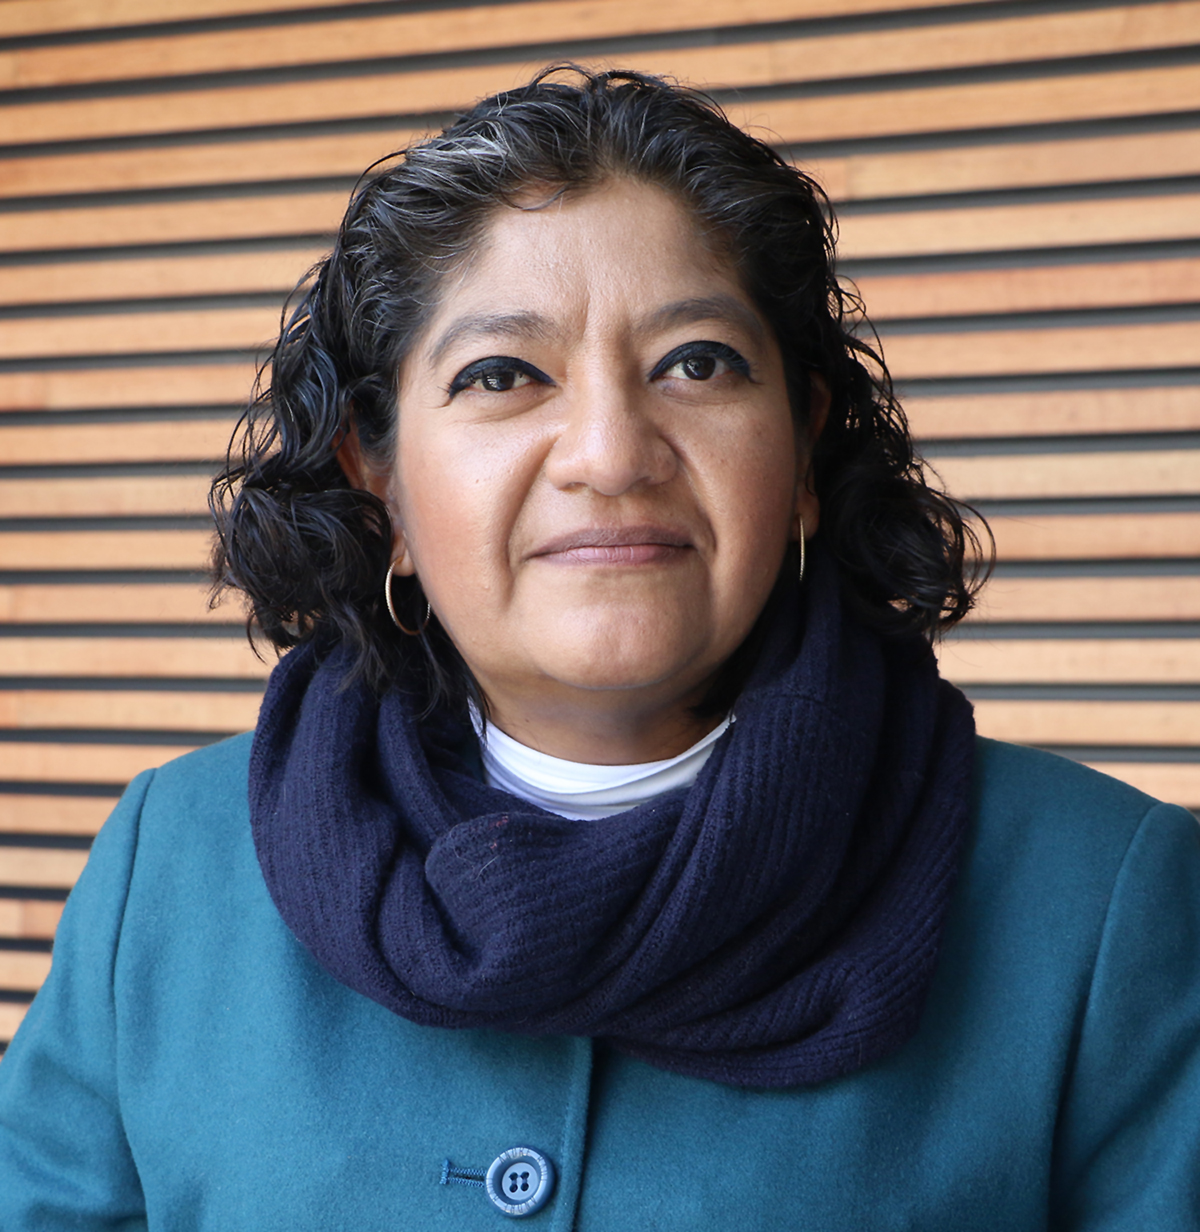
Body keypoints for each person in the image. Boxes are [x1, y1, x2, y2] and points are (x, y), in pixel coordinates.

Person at [1, 66, 1198, 1231]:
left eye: (697, 362)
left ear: (802, 450)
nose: (612, 453)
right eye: (502, 374)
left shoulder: (1101, 899)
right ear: (381, 483)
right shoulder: (170, 868)